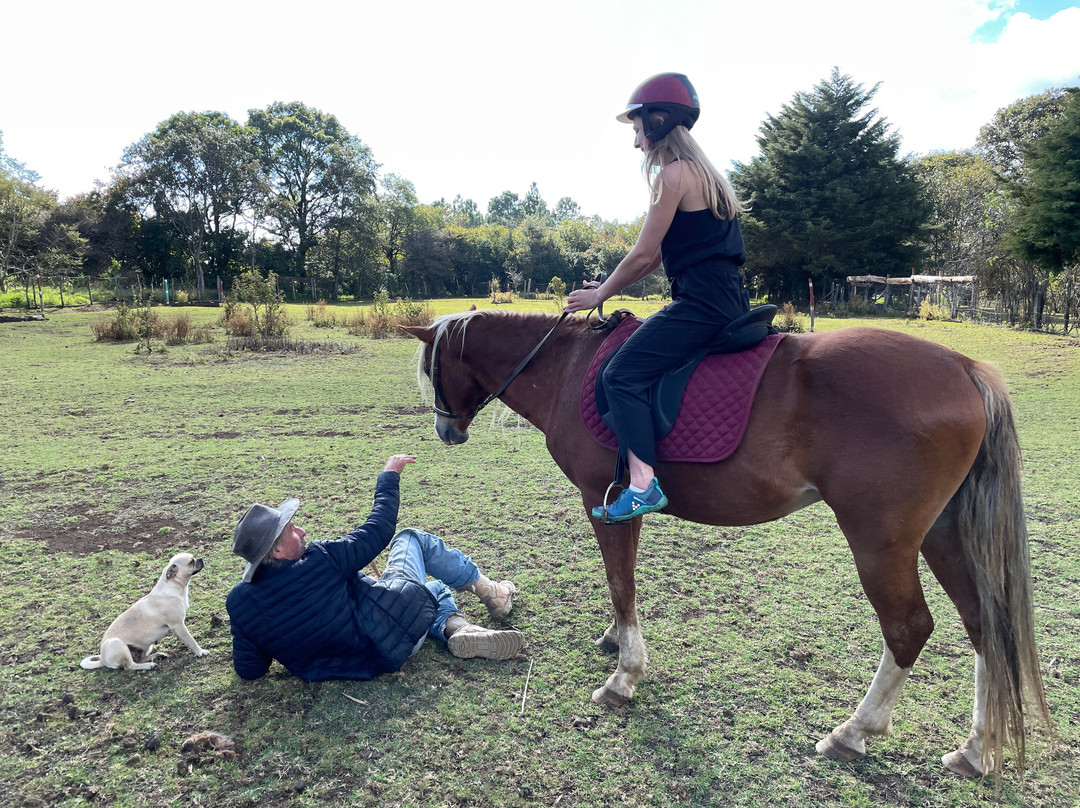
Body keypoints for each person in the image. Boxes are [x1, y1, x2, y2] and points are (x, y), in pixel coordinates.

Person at [564, 72, 750, 523]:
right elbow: (653, 260)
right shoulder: (706, 175)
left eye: (637, 128)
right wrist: (606, 287)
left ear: (658, 120)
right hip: (727, 299)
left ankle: (643, 485)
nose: (635, 142)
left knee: (620, 374)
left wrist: (600, 293)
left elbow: (644, 251)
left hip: (702, 304)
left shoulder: (672, 175)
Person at [226, 454, 524, 681]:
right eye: (291, 529)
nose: (302, 531)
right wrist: (389, 475)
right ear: (276, 550)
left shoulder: (240, 604)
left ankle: (458, 629)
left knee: (431, 590)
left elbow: (249, 670)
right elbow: (378, 529)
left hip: (349, 668)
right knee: (412, 542)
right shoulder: (320, 559)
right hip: (395, 638)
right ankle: (493, 593)